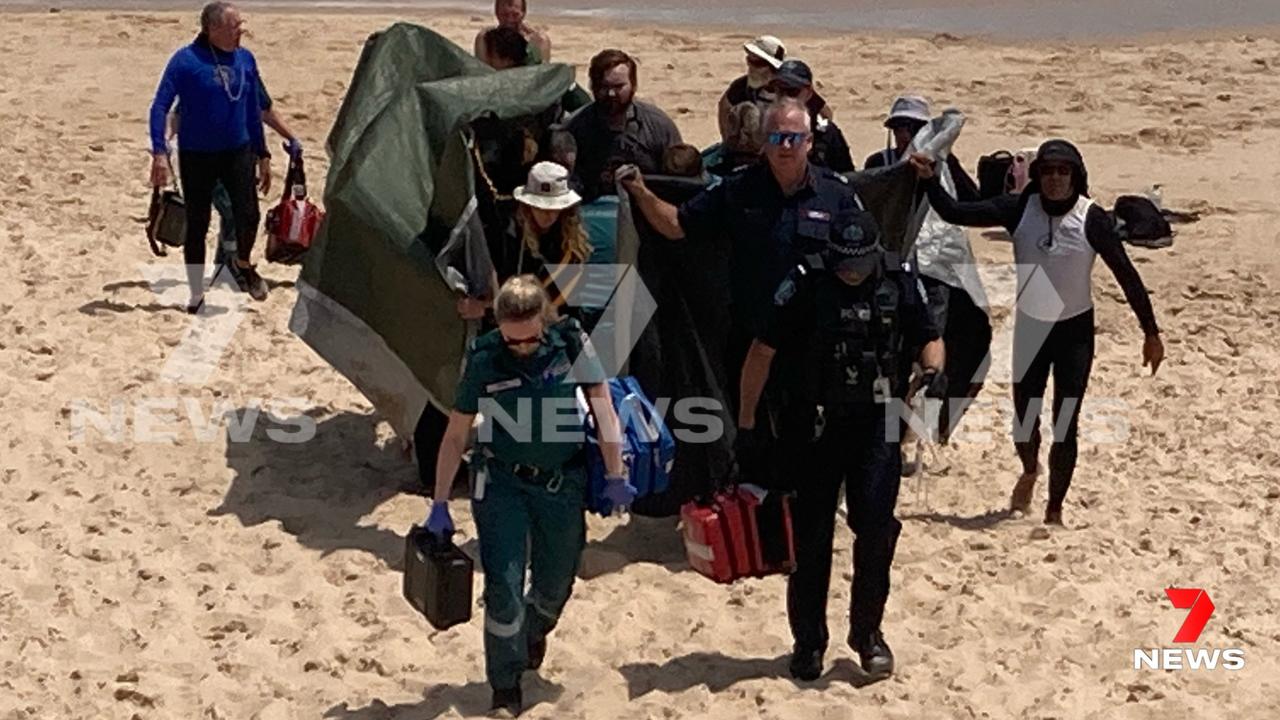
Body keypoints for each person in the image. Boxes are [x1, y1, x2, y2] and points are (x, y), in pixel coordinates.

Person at [910, 139, 1165, 525]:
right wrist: (929, 180)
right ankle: (1030, 470)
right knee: (1024, 421)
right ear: (1037, 175)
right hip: (1031, 328)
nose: (1055, 179)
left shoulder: (1091, 218)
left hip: (1075, 333)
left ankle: (1054, 510)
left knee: (1066, 422)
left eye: (1063, 172)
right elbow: (954, 211)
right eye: (1047, 171)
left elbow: (1126, 275)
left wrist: (1151, 332)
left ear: (1076, 176)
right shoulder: (1017, 209)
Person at [737, 224, 945, 681]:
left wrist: (932, 372)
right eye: (842, 264)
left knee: (875, 530)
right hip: (814, 424)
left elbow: (930, 335)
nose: (850, 274)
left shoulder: (898, 278)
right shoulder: (805, 281)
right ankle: (808, 643)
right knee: (810, 539)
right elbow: (761, 351)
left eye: (858, 264)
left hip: (877, 425)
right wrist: (747, 422)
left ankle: (868, 635)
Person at [425, 276, 628, 716]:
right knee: (504, 588)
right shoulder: (484, 359)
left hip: (561, 482)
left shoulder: (569, 341)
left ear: (544, 321)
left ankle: (533, 631)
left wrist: (615, 471)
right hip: (502, 483)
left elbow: (602, 402)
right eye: (512, 341)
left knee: (557, 581)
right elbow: (456, 433)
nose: (522, 349)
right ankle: (505, 684)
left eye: (530, 340)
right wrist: (439, 502)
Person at [620, 98, 868, 430]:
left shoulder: (837, 194)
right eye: (777, 138)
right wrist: (639, 191)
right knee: (750, 428)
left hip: (815, 336)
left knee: (812, 431)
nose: (785, 147)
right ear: (765, 143)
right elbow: (678, 226)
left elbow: (864, 256)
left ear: (809, 142)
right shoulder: (738, 190)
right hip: (750, 334)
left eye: (794, 138)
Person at [866, 95, 989, 444]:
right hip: (895, 270)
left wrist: (937, 174)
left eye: (913, 127)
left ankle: (918, 429)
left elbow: (972, 203)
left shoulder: (944, 165)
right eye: (900, 127)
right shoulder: (881, 162)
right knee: (897, 350)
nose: (906, 135)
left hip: (937, 271)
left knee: (933, 347)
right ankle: (899, 430)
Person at [149, 1, 270, 312]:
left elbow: (252, 110)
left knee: (249, 214)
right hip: (196, 154)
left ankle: (243, 264)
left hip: (237, 151)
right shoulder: (186, 61)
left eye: (242, 24)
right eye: (235, 26)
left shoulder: (245, 59)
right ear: (213, 29)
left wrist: (263, 153)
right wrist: (159, 153)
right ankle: (195, 293)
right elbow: (159, 106)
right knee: (198, 224)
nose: (241, 31)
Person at [565, 49, 682, 200]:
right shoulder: (574, 127)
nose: (611, 94)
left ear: (633, 85)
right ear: (592, 86)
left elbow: (678, 182)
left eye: (618, 87)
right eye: (604, 87)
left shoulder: (658, 126)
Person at [767, 60, 854, 173]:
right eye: (780, 91)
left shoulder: (825, 133)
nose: (786, 98)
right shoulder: (765, 129)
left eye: (792, 92)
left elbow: (847, 177)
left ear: (808, 93)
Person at [716, 35, 785, 141]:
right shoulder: (742, 85)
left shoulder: (790, 86)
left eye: (758, 64)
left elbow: (817, 106)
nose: (751, 67)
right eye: (749, 60)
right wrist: (727, 140)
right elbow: (724, 106)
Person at [475, 0, 551, 67]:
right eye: (505, 15)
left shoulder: (539, 40)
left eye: (515, 15)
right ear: (497, 13)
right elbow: (482, 73)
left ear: (523, 13)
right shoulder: (486, 39)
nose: (510, 19)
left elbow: (542, 74)